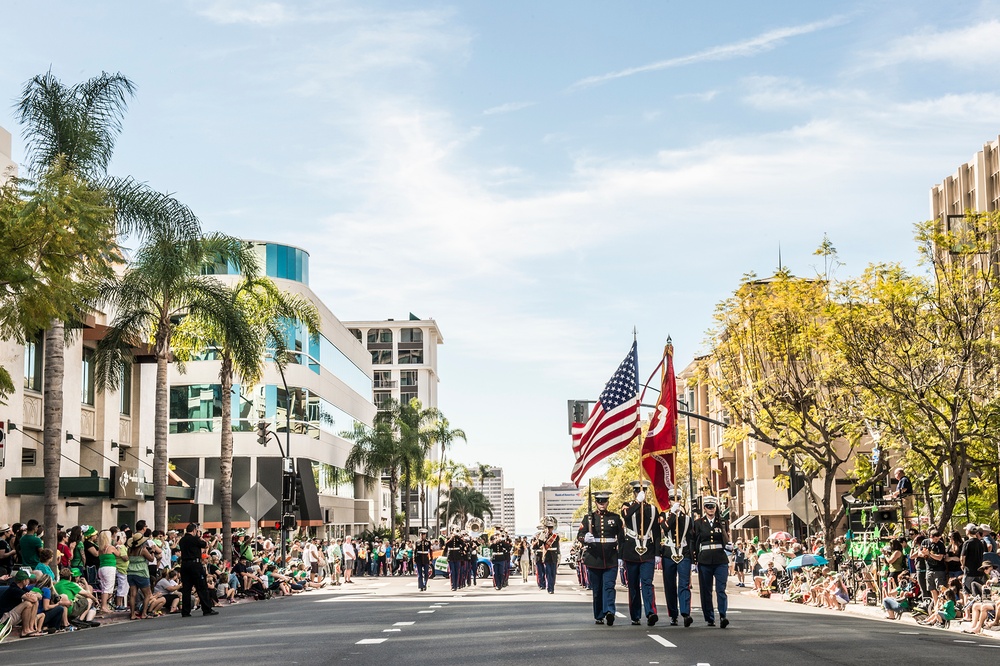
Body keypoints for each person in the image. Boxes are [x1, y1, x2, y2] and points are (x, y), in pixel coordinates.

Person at [578, 489, 624, 626]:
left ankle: (609, 611)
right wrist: (585, 537)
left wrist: (620, 556)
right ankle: (599, 615)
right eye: (599, 501)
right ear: (596, 503)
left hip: (610, 558)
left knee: (609, 586)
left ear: (608, 502)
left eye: (604, 501)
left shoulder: (615, 518)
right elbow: (579, 535)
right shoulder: (588, 518)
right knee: (597, 590)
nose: (602, 503)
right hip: (594, 558)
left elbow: (621, 539)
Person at [621, 480, 661, 626]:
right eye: (638, 491)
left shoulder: (652, 509)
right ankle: (635, 615)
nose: (640, 493)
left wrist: (657, 553)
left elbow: (656, 533)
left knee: (647, 583)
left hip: (648, 550)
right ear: (634, 492)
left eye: (643, 491)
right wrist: (637, 502)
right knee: (633, 585)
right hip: (631, 550)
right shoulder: (627, 506)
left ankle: (651, 612)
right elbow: (626, 516)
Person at [692, 496, 730, 628]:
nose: (711, 509)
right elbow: (696, 543)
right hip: (705, 559)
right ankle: (709, 617)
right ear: (704, 508)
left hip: (720, 559)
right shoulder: (698, 523)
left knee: (721, 589)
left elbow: (726, 539)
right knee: (706, 590)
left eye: (713, 506)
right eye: (708, 507)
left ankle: (723, 615)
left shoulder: (722, 522)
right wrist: (694, 560)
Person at [659, 491, 694, 627]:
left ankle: (686, 613)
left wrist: (693, 558)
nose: (676, 501)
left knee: (684, 584)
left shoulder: (687, 518)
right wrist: (673, 513)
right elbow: (665, 527)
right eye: (673, 499)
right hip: (669, 552)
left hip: (683, 552)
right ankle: (673, 615)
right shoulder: (664, 515)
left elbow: (690, 538)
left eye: (678, 498)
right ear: (669, 501)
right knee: (669, 585)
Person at [178, 523, 217, 617]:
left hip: (184, 565)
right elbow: (205, 545)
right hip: (195, 564)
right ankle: (207, 609)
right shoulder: (195, 539)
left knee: (186, 589)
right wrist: (199, 536)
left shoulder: (182, 540)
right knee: (202, 587)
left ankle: (185, 611)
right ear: (194, 530)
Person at [539, 519, 560, 594]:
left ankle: (552, 587)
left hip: (554, 556)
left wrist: (558, 555)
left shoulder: (556, 536)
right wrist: (544, 535)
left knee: (553, 573)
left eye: (550, 528)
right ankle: (549, 588)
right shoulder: (543, 536)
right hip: (547, 556)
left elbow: (557, 547)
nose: (549, 529)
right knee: (548, 573)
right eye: (548, 528)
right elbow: (540, 544)